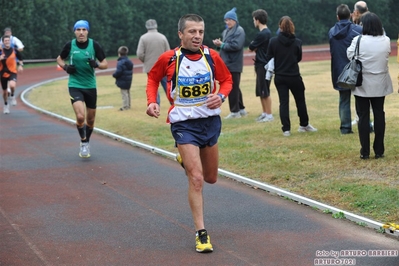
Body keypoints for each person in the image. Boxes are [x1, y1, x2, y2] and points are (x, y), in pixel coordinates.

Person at [146, 14, 232, 253]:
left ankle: (185, 158)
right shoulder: (169, 58)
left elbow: (226, 81)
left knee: (210, 177)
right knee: (195, 178)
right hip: (184, 124)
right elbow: (153, 78)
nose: (197, 36)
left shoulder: (211, 56)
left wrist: (221, 95)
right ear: (180, 34)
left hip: (209, 121)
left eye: (201, 32)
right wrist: (152, 101)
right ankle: (201, 234)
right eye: (192, 32)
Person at [56, 20, 108, 158]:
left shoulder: (94, 45)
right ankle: (83, 142)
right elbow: (59, 59)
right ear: (74, 32)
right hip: (75, 84)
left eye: (84, 30)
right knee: (80, 116)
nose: (81, 32)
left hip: (90, 85)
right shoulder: (70, 45)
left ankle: (87, 140)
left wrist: (96, 64)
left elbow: (105, 64)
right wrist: (66, 67)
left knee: (90, 120)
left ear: (87, 31)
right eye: (78, 30)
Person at [347, 12, 392, 159]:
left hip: (362, 83)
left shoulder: (358, 40)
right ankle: (379, 150)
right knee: (379, 115)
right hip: (380, 82)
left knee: (363, 116)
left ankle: (364, 151)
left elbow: (350, 55)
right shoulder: (386, 40)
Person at [265, 16, 317, 136]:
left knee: (284, 102)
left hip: (280, 76)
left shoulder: (273, 42)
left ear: (280, 27)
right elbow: (298, 58)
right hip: (294, 75)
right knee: (300, 101)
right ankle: (304, 124)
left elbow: (269, 57)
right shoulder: (297, 42)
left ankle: (286, 129)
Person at [329, 4, 362, 134]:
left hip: (339, 69)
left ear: (337, 17)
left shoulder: (331, 32)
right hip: (356, 69)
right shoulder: (358, 30)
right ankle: (365, 124)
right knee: (361, 99)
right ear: (350, 15)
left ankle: (345, 127)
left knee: (343, 99)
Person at [212, 7, 246, 119]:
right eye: (225, 20)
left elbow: (236, 46)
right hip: (226, 63)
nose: (227, 22)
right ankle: (241, 109)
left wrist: (221, 45)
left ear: (234, 20)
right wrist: (220, 45)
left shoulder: (239, 31)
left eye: (229, 20)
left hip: (234, 63)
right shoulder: (226, 31)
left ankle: (234, 112)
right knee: (235, 86)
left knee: (232, 87)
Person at [136, 19, 170, 105]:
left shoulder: (143, 38)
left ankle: (155, 104)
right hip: (163, 67)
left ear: (146, 26)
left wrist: (146, 61)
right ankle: (172, 102)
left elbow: (140, 53)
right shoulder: (162, 37)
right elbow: (168, 52)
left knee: (153, 86)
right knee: (167, 86)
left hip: (150, 67)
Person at [249, 9, 274, 123]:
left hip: (263, 65)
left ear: (258, 20)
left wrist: (255, 47)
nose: (253, 22)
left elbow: (250, 47)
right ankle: (264, 113)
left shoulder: (263, 34)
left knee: (265, 90)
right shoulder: (266, 33)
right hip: (261, 64)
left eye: (254, 19)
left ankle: (269, 114)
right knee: (260, 90)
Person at [0, 35, 23, 114]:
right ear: (3, 42)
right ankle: (6, 105)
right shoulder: (1, 51)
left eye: (8, 40)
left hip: (12, 71)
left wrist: (20, 65)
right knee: (5, 92)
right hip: (2, 73)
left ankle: (13, 96)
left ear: (10, 41)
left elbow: (20, 58)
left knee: (12, 85)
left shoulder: (14, 50)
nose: (7, 42)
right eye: (5, 41)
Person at [112, 46, 133, 111]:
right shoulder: (129, 61)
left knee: (124, 93)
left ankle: (125, 106)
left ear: (119, 53)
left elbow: (119, 71)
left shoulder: (120, 62)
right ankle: (128, 105)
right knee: (127, 92)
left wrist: (114, 75)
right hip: (128, 79)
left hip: (122, 79)